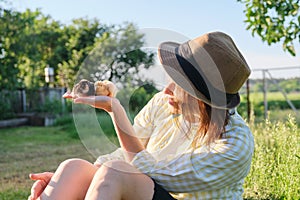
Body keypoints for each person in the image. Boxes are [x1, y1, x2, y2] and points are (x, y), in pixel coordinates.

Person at [28, 31, 254, 200]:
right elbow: (125, 154)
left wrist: (115, 110)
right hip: (146, 190)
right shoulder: (163, 103)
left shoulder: (234, 145)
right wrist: (72, 180)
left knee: (112, 173)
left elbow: (156, 174)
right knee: (73, 169)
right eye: (171, 79)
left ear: (205, 101)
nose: (166, 90)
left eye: (180, 86)